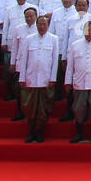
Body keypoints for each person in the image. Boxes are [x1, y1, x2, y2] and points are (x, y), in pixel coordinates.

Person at [17, 14, 61, 142]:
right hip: (31, 79)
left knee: (43, 108)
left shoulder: (54, 39)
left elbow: (54, 61)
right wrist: (22, 78)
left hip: (45, 79)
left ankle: (40, 132)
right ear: (36, 25)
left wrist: (53, 78)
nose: (42, 26)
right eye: (39, 24)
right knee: (30, 108)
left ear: (48, 26)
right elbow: (24, 59)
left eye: (44, 24)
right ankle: (31, 132)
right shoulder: (29, 39)